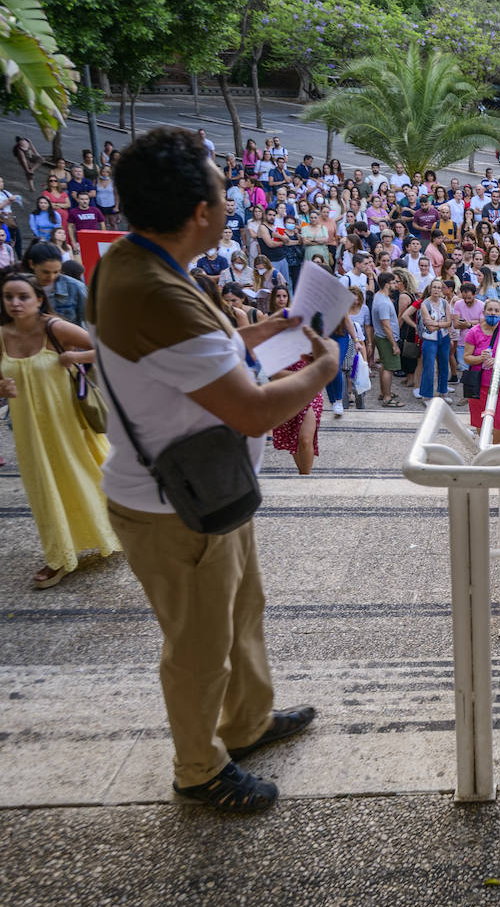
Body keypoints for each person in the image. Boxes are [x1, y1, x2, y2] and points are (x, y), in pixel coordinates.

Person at [92, 128, 337, 811]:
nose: (232, 202)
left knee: (240, 613)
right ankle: (199, 768)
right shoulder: (157, 294)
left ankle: (247, 722)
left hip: (214, 491)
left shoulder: (137, 261)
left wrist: (266, 330)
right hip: (175, 508)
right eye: (224, 193)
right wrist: (321, 368)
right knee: (200, 645)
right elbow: (252, 411)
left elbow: (207, 353)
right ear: (201, 212)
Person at [0, 271, 121, 588]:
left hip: (69, 423)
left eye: (23, 296)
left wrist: (77, 356)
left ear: (39, 299)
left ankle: (129, 525)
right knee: (45, 489)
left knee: (90, 474)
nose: (15, 303)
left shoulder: (54, 327)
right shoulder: (2, 335)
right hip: (29, 431)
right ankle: (60, 556)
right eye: (8, 297)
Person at [463, 298, 500, 442]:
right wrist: (480, 358)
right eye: (490, 310)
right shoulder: (474, 332)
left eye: (496, 310)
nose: (493, 313)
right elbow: (466, 357)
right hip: (478, 385)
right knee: (480, 420)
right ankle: (484, 444)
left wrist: (499, 358)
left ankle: (495, 447)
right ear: (484, 312)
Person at [24, 242, 87, 326]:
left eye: (56, 272)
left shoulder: (75, 287)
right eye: (45, 272)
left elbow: (90, 321)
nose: (51, 277)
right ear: (32, 264)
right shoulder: (20, 287)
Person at [370, 271, 402, 407]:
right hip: (386, 339)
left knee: (384, 366)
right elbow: (386, 325)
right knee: (389, 368)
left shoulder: (379, 296)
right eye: (394, 282)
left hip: (381, 337)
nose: (396, 284)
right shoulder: (383, 302)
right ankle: (387, 398)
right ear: (387, 284)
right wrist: (394, 344)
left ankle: (384, 392)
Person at [417, 278, 452, 402]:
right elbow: (429, 327)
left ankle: (443, 392)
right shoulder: (424, 304)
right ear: (430, 289)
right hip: (429, 339)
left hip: (444, 337)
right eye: (434, 287)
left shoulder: (445, 303)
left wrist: (436, 323)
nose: (436, 290)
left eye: (439, 287)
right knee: (429, 367)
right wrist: (441, 323)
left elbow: (449, 322)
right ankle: (426, 396)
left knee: (444, 365)